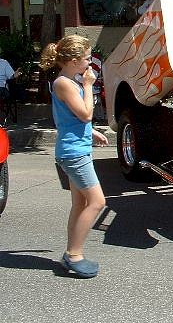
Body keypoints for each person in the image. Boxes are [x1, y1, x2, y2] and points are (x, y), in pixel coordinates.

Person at [40, 35, 108, 279]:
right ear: (72, 60)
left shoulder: (69, 81)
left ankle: (72, 252)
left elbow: (73, 119)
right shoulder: (65, 83)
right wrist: (89, 86)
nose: (90, 64)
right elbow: (85, 114)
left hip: (75, 149)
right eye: (87, 58)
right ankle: (74, 255)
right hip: (73, 153)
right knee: (97, 202)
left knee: (80, 204)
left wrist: (93, 133)